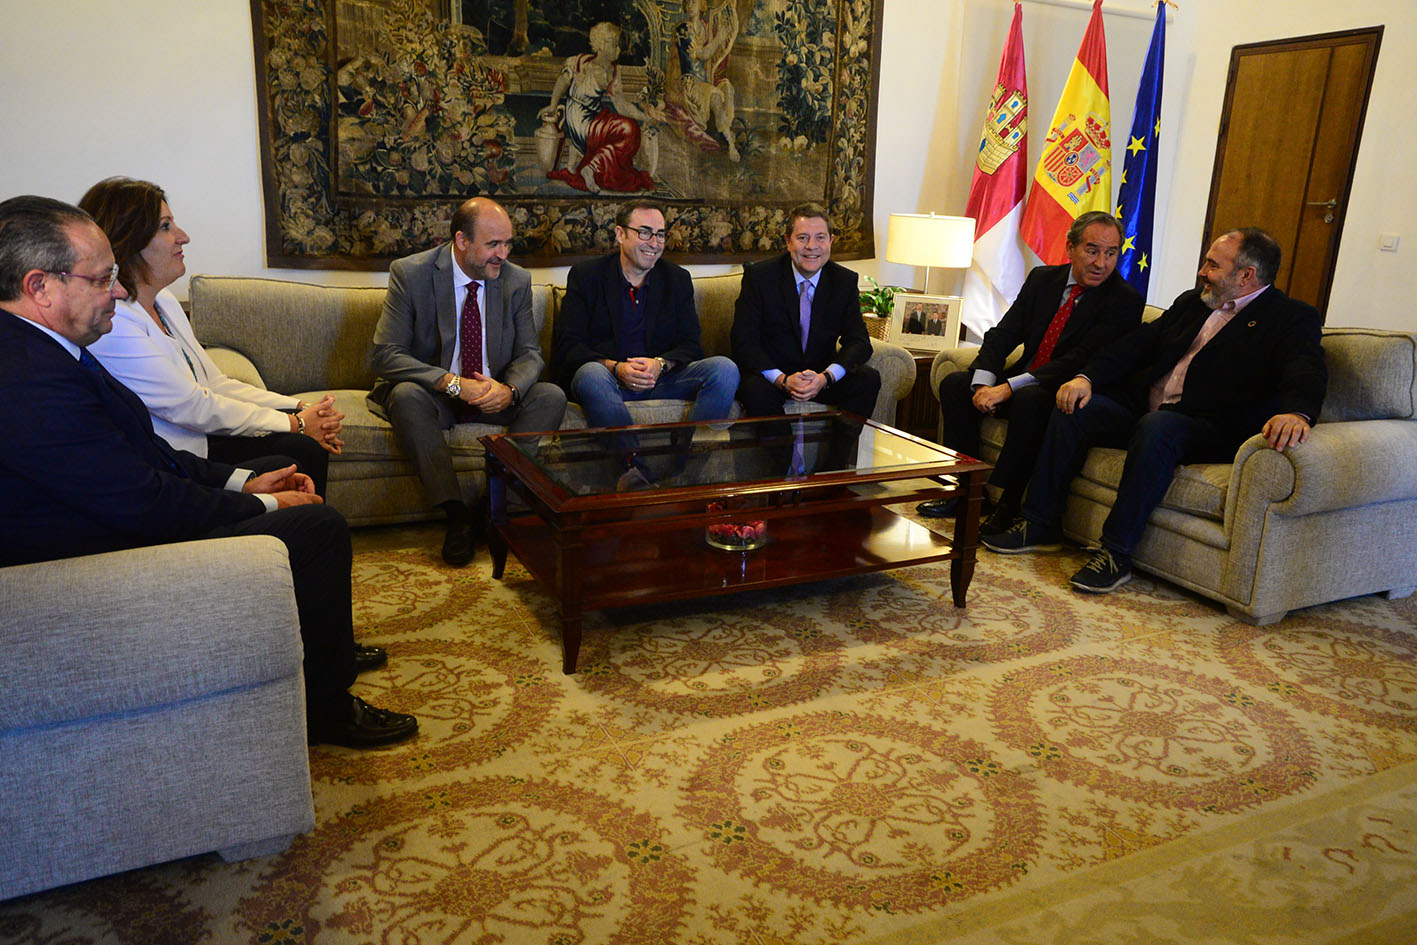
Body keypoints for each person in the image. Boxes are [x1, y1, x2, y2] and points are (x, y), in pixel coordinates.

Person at [0, 196, 415, 748]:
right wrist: (264, 505)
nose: (118, 292)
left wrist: (244, 482)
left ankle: (316, 643)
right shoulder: (29, 381)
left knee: (284, 472)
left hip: (118, 517)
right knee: (317, 528)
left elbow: (146, 453)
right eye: (102, 280)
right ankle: (325, 706)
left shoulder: (52, 349)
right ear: (40, 287)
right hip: (93, 564)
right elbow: (144, 500)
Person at [982, 228, 1327, 594]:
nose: (1202, 271)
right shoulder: (1195, 302)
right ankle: (1039, 521)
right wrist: (1086, 377)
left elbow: (1305, 367)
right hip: (1147, 412)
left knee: (1158, 427)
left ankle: (1116, 552)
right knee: (1077, 407)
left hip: (1210, 425)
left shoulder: (1290, 318)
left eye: (1212, 264)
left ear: (1246, 276)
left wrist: (1298, 412)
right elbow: (1138, 344)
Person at [79, 177, 343, 497]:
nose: (183, 237)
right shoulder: (114, 322)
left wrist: (300, 406)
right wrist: (297, 423)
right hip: (176, 457)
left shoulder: (163, 302)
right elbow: (192, 406)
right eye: (166, 226)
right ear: (128, 239)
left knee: (302, 448)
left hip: (201, 437)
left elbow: (214, 384)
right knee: (300, 448)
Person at [369, 196, 566, 567]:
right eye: (493, 244)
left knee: (550, 396)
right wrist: (453, 384)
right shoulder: (411, 274)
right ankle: (458, 516)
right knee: (406, 395)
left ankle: (490, 507)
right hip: (438, 396)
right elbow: (385, 354)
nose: (503, 254)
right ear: (461, 241)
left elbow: (529, 354)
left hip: (494, 397)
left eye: (508, 243)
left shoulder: (516, 281)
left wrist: (508, 390)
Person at [916, 211, 1143, 529]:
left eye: (1111, 253)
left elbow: (1078, 359)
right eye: (1092, 250)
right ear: (1070, 247)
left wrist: (1007, 388)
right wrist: (984, 382)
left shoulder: (1124, 300)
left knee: (1030, 399)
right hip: (1028, 377)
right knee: (956, 384)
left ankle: (1009, 504)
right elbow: (1004, 333)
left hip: (1063, 387)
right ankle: (967, 493)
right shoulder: (1043, 280)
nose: (1101, 263)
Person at [550, 199, 739, 482]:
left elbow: (691, 345)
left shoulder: (676, 279)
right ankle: (635, 470)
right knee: (590, 374)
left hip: (661, 379)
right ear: (620, 234)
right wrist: (615, 367)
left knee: (724, 369)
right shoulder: (587, 276)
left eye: (660, 234)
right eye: (645, 232)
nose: (654, 243)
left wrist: (660, 364)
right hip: (608, 382)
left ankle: (683, 468)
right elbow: (568, 347)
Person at [730, 202, 880, 470]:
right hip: (773, 375)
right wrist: (782, 380)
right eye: (802, 238)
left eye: (820, 237)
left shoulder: (844, 281)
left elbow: (859, 342)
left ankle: (833, 468)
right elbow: (743, 341)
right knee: (753, 389)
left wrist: (826, 378)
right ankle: (784, 475)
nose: (812, 246)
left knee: (868, 379)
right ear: (788, 242)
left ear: (831, 241)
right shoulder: (759, 277)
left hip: (819, 375)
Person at [539, 21, 655, 193]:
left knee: (630, 128)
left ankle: (591, 168)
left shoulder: (612, 72)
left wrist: (645, 117)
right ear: (601, 44)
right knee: (628, 130)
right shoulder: (580, 62)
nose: (618, 49)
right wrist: (553, 104)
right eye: (614, 44)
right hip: (580, 120)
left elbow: (622, 106)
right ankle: (592, 168)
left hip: (593, 118)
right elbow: (563, 81)